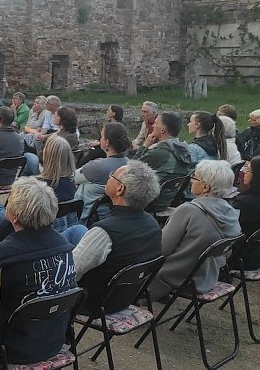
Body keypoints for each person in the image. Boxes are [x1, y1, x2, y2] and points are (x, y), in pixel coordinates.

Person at [0, 177, 76, 366]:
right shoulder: (65, 247)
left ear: (14, 216)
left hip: (11, 346)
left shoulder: (2, 256)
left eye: (8, 201)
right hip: (51, 340)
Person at [71, 161, 162, 313]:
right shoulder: (153, 225)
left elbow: (71, 273)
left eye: (112, 175)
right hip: (124, 298)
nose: (109, 177)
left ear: (120, 189)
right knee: (78, 230)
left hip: (91, 303)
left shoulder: (104, 232)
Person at [149, 160, 241, 301]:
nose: (191, 180)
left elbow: (161, 249)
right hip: (206, 277)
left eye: (195, 177)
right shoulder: (231, 214)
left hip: (177, 278)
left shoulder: (188, 210)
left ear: (205, 187)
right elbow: (226, 254)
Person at [132, 111, 194, 208]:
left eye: (156, 123)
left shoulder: (160, 153)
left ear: (162, 129)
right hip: (169, 200)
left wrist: (144, 146)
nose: (153, 126)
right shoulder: (183, 150)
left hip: (151, 203)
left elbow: (131, 168)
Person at [75, 122, 130, 223]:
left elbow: (72, 177)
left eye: (101, 137)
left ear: (107, 142)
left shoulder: (97, 166)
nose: (100, 139)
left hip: (87, 218)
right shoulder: (129, 164)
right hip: (113, 215)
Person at [38, 135, 79, 231]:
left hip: (44, 235)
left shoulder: (38, 187)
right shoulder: (72, 186)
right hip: (66, 234)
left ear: (46, 156)